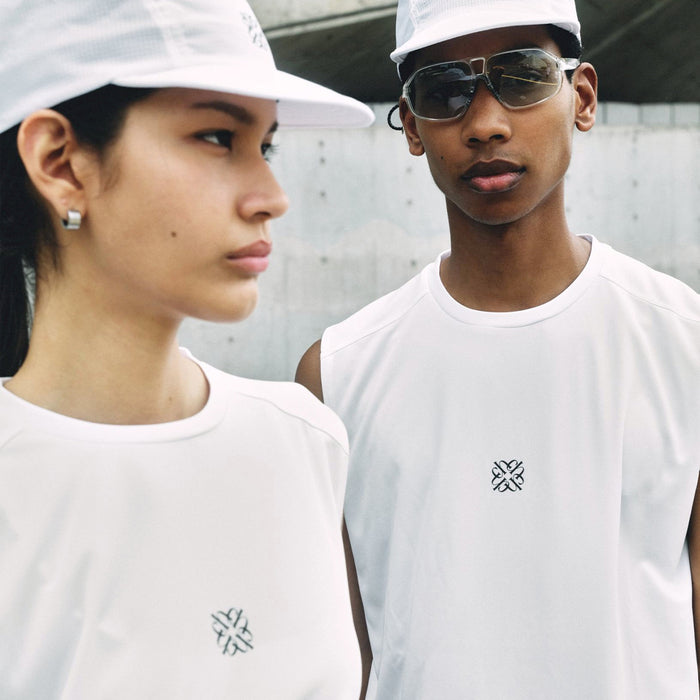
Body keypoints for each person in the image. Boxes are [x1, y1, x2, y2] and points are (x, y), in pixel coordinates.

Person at [296, 0, 700, 697]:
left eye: (521, 75)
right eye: (444, 90)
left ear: (582, 97)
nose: (485, 123)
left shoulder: (683, 341)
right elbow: (341, 663)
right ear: (412, 126)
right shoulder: (338, 374)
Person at [0, 0, 374, 697]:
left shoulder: (303, 439)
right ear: (61, 163)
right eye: (216, 137)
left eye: (265, 146)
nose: (272, 197)